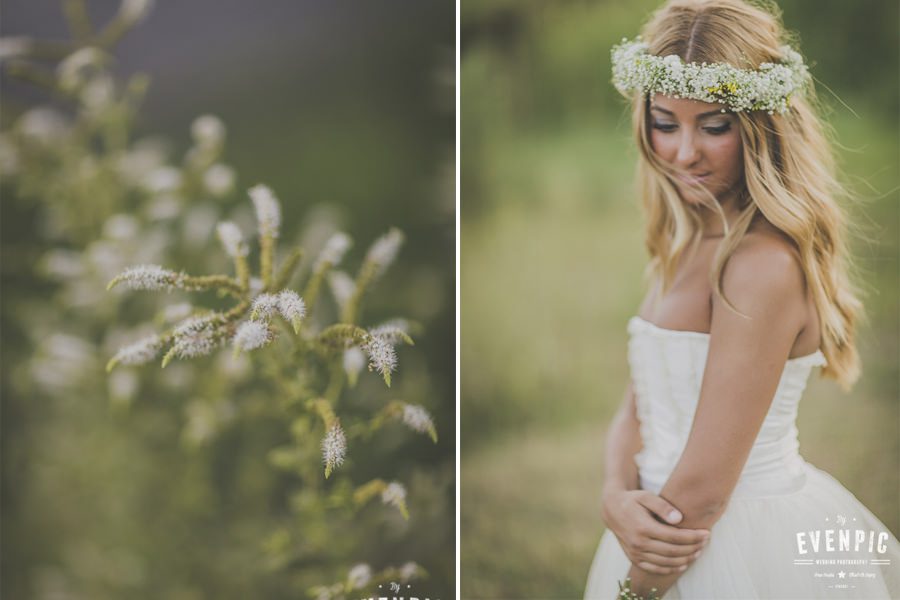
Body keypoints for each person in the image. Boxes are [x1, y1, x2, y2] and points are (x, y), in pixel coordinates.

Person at [582, 0, 900, 598]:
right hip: (648, 529)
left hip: (720, 542)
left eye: (715, 125)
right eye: (665, 123)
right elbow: (636, 408)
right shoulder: (685, 238)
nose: (683, 153)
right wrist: (614, 498)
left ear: (761, 123)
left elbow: (703, 491)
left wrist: (635, 588)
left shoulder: (761, 266)